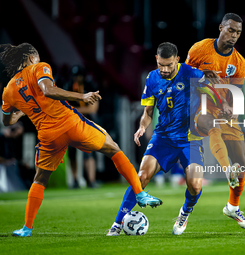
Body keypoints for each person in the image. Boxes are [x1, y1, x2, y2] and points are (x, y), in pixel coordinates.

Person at [0, 43, 162, 237]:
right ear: (30, 58)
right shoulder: (39, 67)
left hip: (48, 136)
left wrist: (20, 114)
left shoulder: (8, 89)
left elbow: (7, 120)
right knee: (113, 149)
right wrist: (82, 96)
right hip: (70, 124)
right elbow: (47, 90)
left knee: (40, 179)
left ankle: (26, 228)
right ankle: (140, 193)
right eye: (36, 56)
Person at [107, 42, 205, 236]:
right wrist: (142, 126)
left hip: (190, 139)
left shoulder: (191, 73)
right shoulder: (152, 78)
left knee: (195, 185)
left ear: (177, 60)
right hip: (163, 138)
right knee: (141, 177)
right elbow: (148, 112)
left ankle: (185, 212)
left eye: (169, 65)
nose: (165, 69)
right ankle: (117, 224)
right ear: (156, 60)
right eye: (161, 64)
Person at [185, 13, 245, 230]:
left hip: (224, 109)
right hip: (201, 106)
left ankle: (232, 207)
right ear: (221, 27)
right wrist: (201, 73)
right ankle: (226, 169)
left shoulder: (239, 63)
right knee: (211, 125)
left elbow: (237, 93)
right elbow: (182, 75)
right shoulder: (199, 49)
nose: (234, 36)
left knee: (242, 163)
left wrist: (233, 110)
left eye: (238, 33)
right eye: (231, 30)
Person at [64, 66, 99, 188]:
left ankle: (91, 180)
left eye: (78, 76)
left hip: (88, 122)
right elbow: (64, 107)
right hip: (73, 123)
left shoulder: (89, 85)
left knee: (88, 151)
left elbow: (93, 108)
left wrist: (76, 110)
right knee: (72, 153)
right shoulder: (69, 86)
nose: (76, 79)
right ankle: (74, 181)